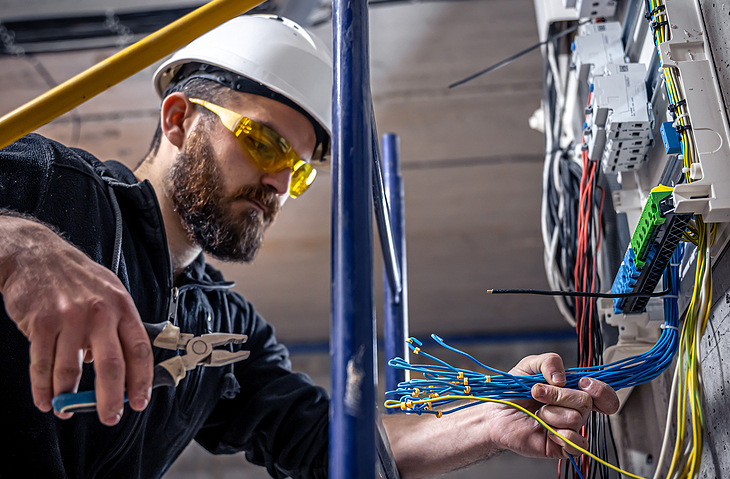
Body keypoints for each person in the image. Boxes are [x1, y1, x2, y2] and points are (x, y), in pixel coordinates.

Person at [0, 14, 619, 479]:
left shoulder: (226, 330)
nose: (278, 184)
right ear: (178, 119)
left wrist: (489, 418)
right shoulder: (56, 189)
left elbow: (329, 445)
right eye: (265, 145)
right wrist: (21, 244)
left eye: (298, 173)